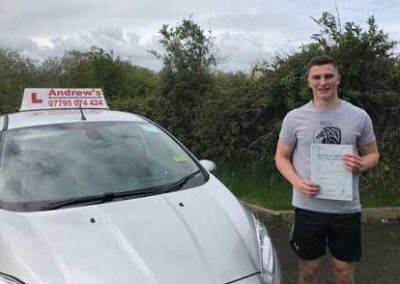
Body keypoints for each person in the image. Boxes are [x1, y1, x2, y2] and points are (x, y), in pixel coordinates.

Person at [275, 55, 380, 284]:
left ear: (338, 79)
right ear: (309, 81)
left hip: (346, 208)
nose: (323, 82)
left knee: (344, 273)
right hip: (308, 207)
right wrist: (297, 182)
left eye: (328, 76)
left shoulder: (358, 117)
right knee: (309, 271)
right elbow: (281, 157)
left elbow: (373, 154)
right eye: (317, 77)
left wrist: (361, 164)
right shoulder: (294, 118)